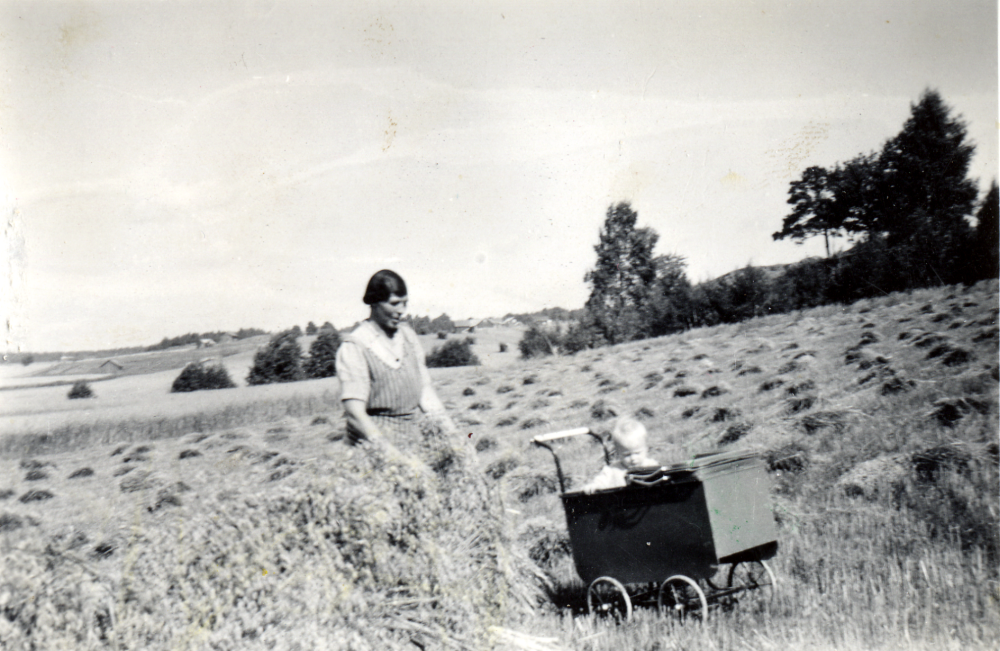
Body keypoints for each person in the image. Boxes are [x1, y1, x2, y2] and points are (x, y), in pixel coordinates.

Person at [335, 270, 457, 449]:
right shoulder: (355, 346)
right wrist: (390, 454)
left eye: (405, 303)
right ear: (374, 303)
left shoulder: (408, 337)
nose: (401, 311)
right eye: (394, 303)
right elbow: (355, 414)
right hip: (372, 447)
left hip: (412, 441)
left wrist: (453, 435)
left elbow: (425, 392)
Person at [581, 417, 660, 493]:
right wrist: (594, 486)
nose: (633, 458)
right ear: (618, 453)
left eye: (637, 453)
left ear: (646, 449)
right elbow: (601, 481)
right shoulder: (612, 470)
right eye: (627, 455)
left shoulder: (651, 466)